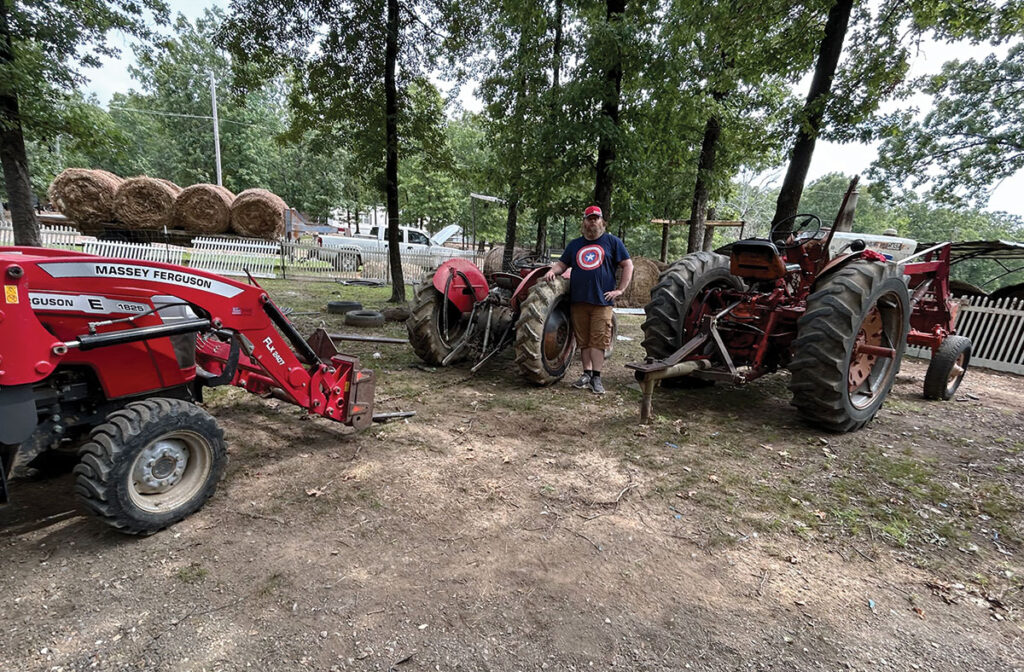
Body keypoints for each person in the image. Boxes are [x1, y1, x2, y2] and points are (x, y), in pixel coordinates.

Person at [543, 205, 633, 394]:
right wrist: (552, 271)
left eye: (596, 218)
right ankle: (586, 374)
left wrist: (620, 290)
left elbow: (628, 265)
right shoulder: (575, 244)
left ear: (602, 222)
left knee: (598, 341)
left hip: (601, 302)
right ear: (583, 222)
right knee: (583, 341)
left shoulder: (612, 242)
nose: (592, 222)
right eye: (589, 219)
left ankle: (597, 378)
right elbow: (562, 264)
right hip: (579, 301)